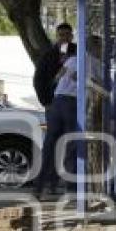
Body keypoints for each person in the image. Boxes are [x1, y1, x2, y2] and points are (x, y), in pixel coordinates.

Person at [36, 34, 102, 196]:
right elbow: (99, 86)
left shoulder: (72, 60)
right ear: (95, 48)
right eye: (100, 47)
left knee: (51, 145)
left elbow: (57, 78)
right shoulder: (95, 63)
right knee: (72, 145)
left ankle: (42, 185)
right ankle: (72, 187)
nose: (101, 50)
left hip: (57, 102)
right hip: (73, 104)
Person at [33, 22, 76, 108]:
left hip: (74, 101)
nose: (64, 38)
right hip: (53, 101)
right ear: (56, 37)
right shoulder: (48, 56)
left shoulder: (78, 52)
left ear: (72, 36)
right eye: (61, 35)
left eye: (67, 35)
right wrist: (46, 102)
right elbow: (38, 80)